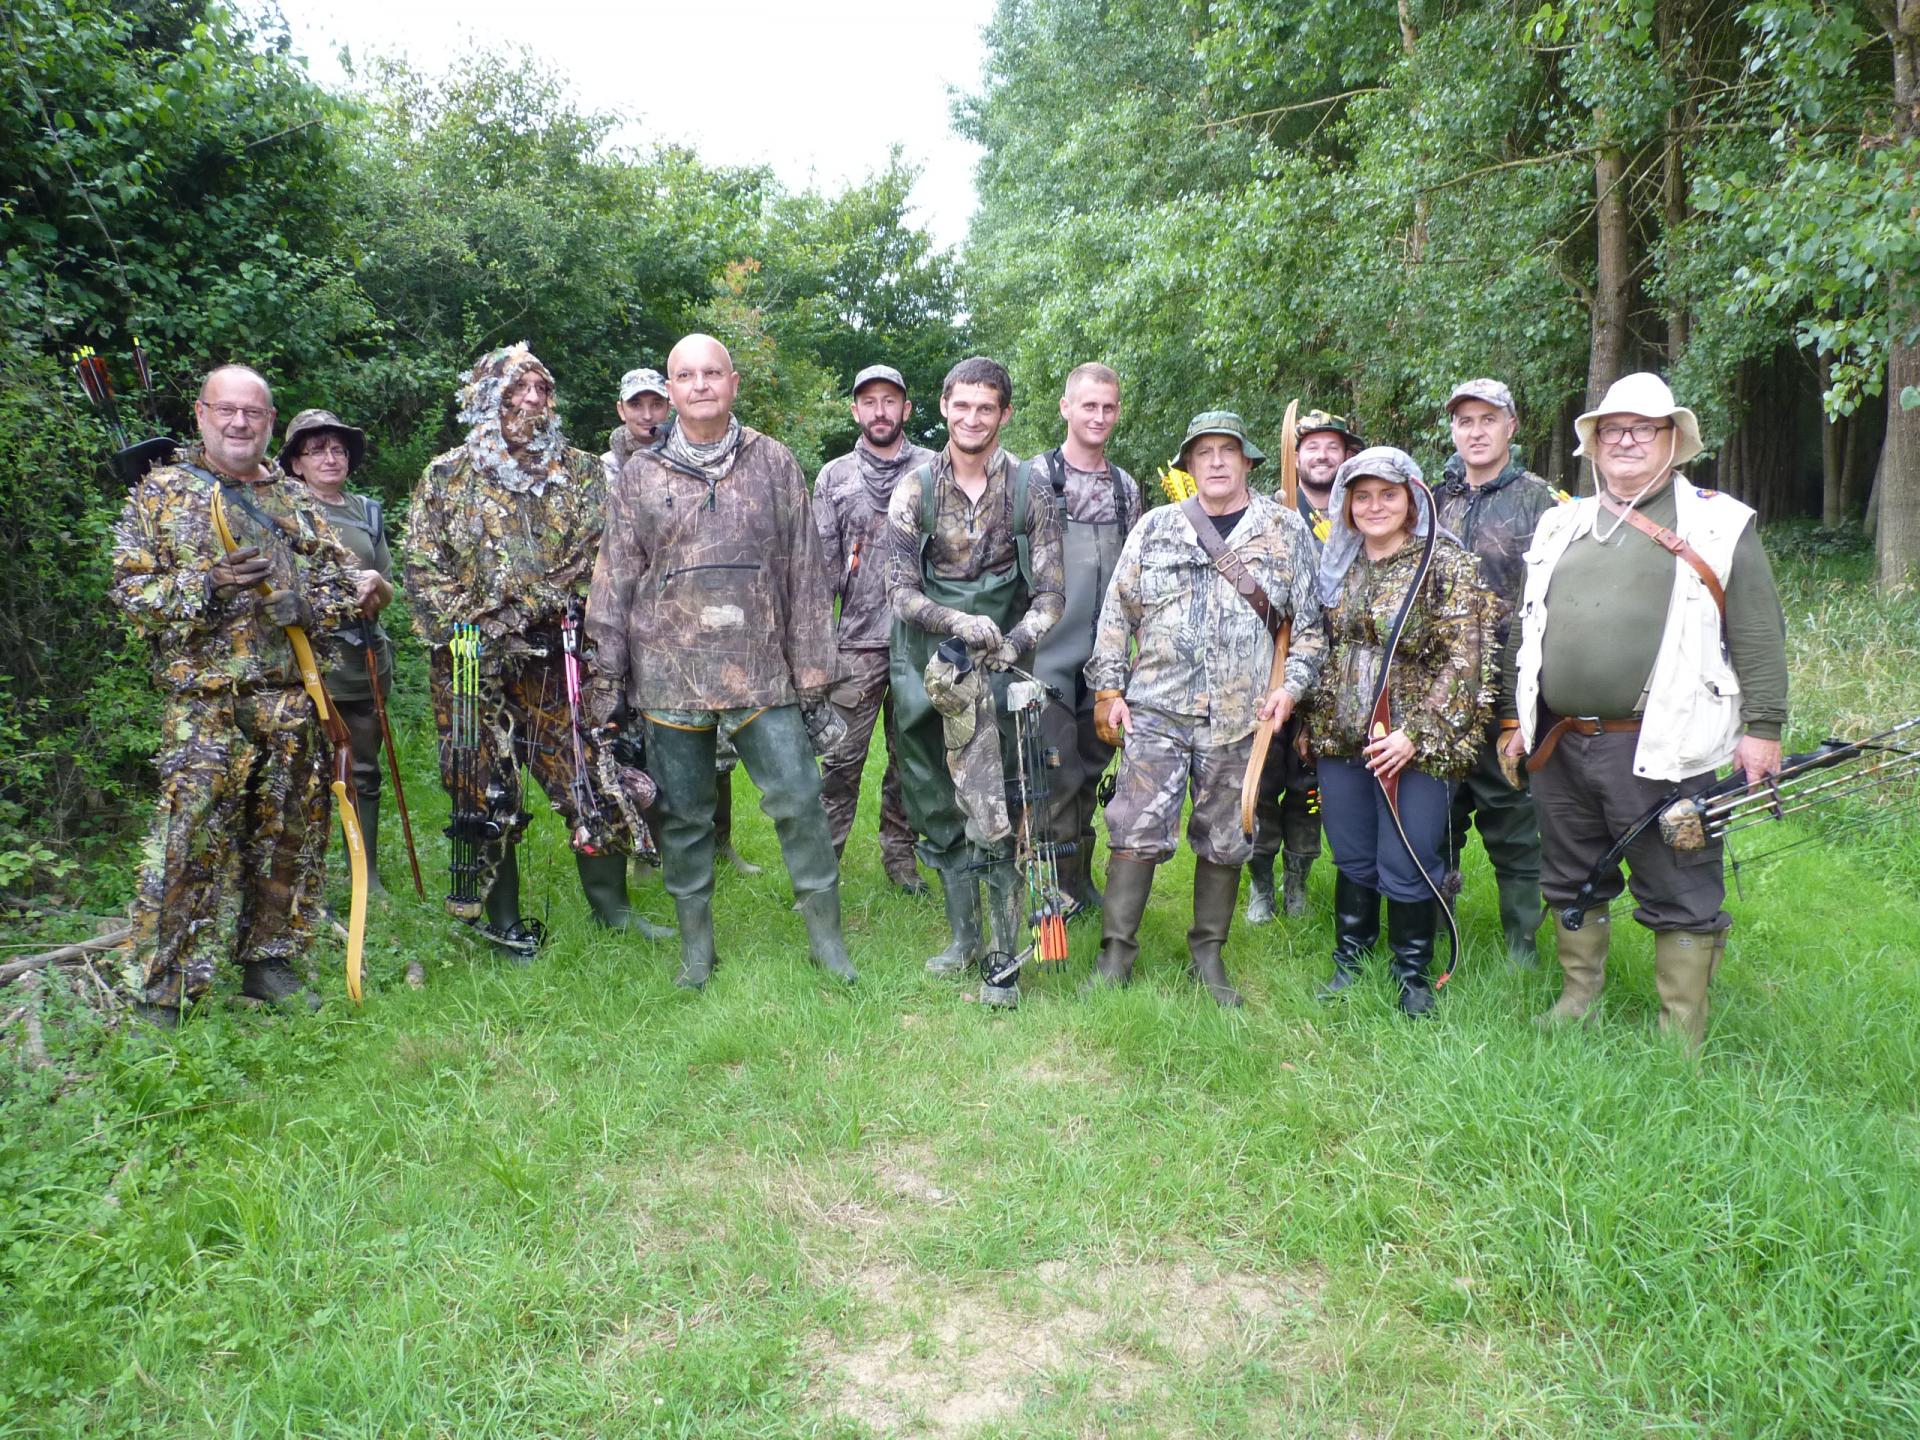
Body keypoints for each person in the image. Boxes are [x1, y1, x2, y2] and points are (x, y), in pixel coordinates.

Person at [1501, 372, 1787, 1051]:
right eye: (1612, 430)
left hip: (1666, 744)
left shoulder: (1719, 522)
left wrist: (1765, 730)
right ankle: (1578, 1000)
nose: (1625, 441)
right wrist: (1516, 722)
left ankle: (1679, 1031)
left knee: (1680, 879)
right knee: (1571, 873)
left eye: (1642, 429)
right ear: (1592, 445)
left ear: (1672, 441)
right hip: (1562, 743)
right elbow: (1528, 627)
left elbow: (1757, 631)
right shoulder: (1561, 521)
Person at [585, 332, 856, 989]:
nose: (700, 384)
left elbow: (806, 572)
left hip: (762, 672)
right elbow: (614, 576)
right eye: (686, 375)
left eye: (712, 373)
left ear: (733, 383)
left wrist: (814, 673)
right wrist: (605, 676)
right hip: (669, 679)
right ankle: (696, 952)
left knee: (798, 801)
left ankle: (827, 942)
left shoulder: (774, 462)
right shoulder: (641, 476)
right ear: (671, 391)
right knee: (684, 817)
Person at [111, 365, 379, 1024]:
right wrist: (208, 581)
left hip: (290, 698)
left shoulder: (293, 497)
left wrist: (308, 606)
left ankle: (269, 965)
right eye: (225, 411)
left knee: (288, 840)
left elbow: (341, 583)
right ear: (200, 415)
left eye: (252, 414)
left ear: (267, 421)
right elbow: (130, 596)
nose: (238, 424)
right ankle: (165, 992)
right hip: (204, 702)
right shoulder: (163, 494)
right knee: (188, 843)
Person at [405, 343, 671, 960]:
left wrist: (528, 611)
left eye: (541, 390)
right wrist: (479, 623)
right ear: (483, 400)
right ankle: (501, 921)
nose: (531, 401)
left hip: (557, 659)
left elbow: (597, 556)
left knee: (586, 777)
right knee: (484, 786)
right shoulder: (446, 477)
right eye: (515, 390)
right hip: (470, 663)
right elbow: (422, 565)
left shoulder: (579, 472)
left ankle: (613, 911)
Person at [1085, 411, 1324, 1006]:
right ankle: (1116, 953)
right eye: (1203, 453)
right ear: (1189, 466)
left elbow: (1312, 629)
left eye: (1227, 451)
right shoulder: (1156, 528)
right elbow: (1117, 612)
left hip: (1242, 717)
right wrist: (1109, 691)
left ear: (1247, 461)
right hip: (1157, 710)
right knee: (1134, 829)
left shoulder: (1284, 530)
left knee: (1225, 837)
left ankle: (1207, 956)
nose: (1216, 462)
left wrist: (1289, 689)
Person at [887, 355, 1064, 1008]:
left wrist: (1014, 642)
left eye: (985, 407)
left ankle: (1001, 948)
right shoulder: (915, 489)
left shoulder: (1030, 489)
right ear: (943, 407)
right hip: (923, 666)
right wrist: (957, 621)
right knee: (935, 806)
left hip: (999, 671)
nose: (972, 417)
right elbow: (898, 591)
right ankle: (961, 938)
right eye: (961, 405)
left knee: (994, 810)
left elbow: (1051, 595)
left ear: (1005, 414)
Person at [1307, 447, 1499, 1015]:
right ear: (1346, 505)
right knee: (1351, 854)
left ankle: (1412, 975)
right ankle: (1351, 960)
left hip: (1415, 745)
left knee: (1409, 856)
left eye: (1387, 494)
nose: (1374, 507)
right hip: (1341, 739)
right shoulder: (1335, 567)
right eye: (1361, 496)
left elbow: (1468, 661)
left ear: (1412, 498)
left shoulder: (1444, 565)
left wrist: (1413, 733)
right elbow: (1322, 647)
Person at [1433, 379, 1558, 967]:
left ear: (1512, 426)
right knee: (1437, 816)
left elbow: (1552, 603)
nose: (1476, 431)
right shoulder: (1434, 499)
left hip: (1511, 690)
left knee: (1512, 819)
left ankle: (1521, 944)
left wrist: (1519, 705)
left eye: (1488, 419)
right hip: (1440, 692)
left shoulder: (1541, 503)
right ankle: (1435, 924)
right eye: (1465, 421)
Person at [1018, 362, 1142, 917]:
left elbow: (1135, 576)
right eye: (1088, 405)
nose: (1098, 416)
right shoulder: (1032, 478)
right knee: (1056, 773)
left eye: (1108, 407)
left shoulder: (1125, 487)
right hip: (1045, 656)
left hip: (1104, 661)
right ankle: (1049, 887)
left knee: (1092, 771)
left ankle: (1078, 881)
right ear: (1066, 408)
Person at [812, 363, 935, 893]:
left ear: (906, 409)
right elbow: (820, 569)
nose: (880, 410)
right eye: (870, 401)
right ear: (855, 410)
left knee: (911, 761)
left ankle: (901, 859)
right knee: (840, 762)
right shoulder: (834, 477)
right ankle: (821, 871)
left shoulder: (936, 468)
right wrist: (815, 648)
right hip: (856, 647)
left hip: (920, 643)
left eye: (891, 400)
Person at [1246, 407, 1363, 924]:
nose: (1321, 455)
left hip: (1337, 678)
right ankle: (1260, 884)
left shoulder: (1361, 516)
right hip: (1272, 669)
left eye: (1331, 446)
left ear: (1346, 455)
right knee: (1262, 780)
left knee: (1310, 787)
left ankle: (1299, 879)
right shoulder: (1268, 514)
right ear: (1295, 457)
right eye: (1310, 446)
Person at [279, 409, 400, 896]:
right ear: (295, 464)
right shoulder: (282, 513)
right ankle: (304, 881)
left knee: (363, 772)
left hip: (364, 661)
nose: (330, 458)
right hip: (304, 666)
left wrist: (377, 584)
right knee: (304, 775)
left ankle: (364, 875)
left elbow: (391, 588)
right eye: (316, 450)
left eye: (338, 449)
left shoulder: (367, 511)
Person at [601, 366, 671, 485]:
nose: (647, 416)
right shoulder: (607, 466)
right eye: (636, 405)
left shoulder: (691, 457)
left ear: (668, 409)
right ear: (621, 410)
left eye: (656, 405)